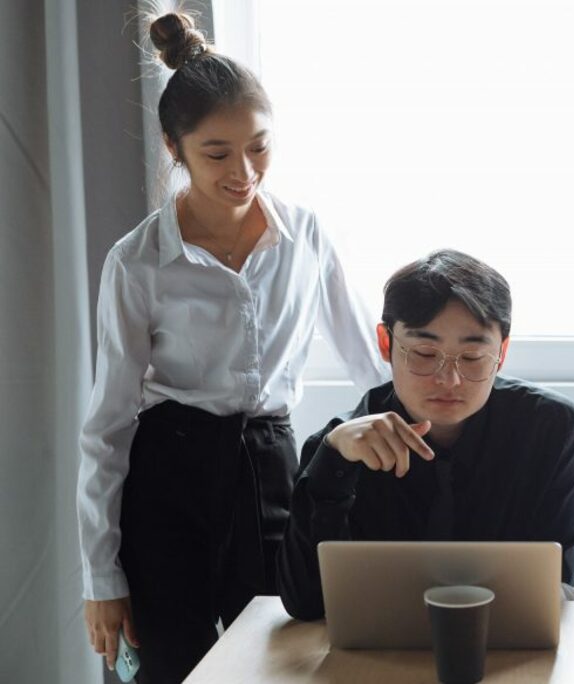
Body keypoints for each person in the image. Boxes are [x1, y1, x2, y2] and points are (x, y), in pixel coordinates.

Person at [77, 13, 386, 682]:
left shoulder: (306, 236)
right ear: (174, 148)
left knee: (286, 660)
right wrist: (101, 574)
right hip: (167, 481)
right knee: (172, 670)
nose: (244, 172)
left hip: (271, 467)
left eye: (260, 147)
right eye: (217, 152)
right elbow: (106, 426)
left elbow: (371, 367)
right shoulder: (137, 262)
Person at [277, 249, 574, 620]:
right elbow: (305, 604)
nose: (448, 379)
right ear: (385, 343)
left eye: (472, 357)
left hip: (505, 647)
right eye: (425, 353)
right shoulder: (340, 448)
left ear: (502, 352)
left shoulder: (549, 429)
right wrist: (332, 466)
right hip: (378, 653)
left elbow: (551, 584)